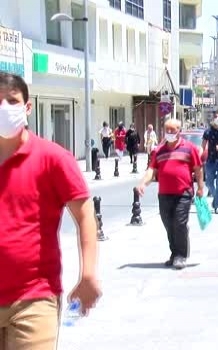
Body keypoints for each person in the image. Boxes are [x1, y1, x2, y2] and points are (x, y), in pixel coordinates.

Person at [0, 73, 101, 349]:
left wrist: (88, 274)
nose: (4, 109)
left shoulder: (53, 158)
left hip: (34, 297)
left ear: (27, 107)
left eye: (12, 101)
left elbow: (84, 215)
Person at [137, 119, 204, 270]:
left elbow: (198, 169)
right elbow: (151, 170)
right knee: (169, 224)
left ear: (179, 131)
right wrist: (143, 183)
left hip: (184, 193)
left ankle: (181, 255)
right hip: (164, 194)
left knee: (179, 223)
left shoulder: (189, 148)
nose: (169, 133)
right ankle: (174, 253)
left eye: (173, 130)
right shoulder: (159, 151)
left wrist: (200, 188)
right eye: (167, 130)